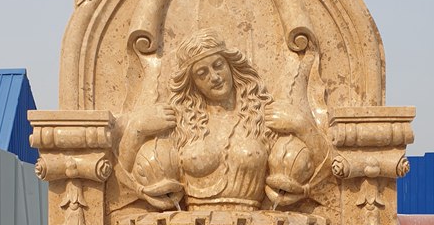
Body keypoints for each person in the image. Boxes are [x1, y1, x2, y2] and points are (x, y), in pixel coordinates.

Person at [118, 30, 328, 210]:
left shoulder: (260, 116)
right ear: (193, 83)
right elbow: (121, 179)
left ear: (231, 66)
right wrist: (137, 130)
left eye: (218, 65)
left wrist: (303, 127)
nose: (215, 77)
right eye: (202, 73)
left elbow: (326, 169)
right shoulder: (182, 123)